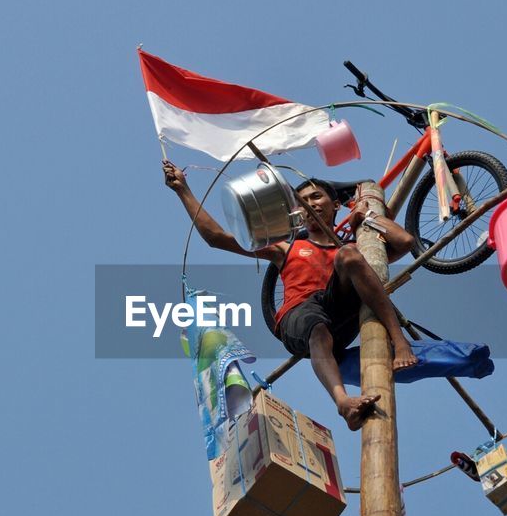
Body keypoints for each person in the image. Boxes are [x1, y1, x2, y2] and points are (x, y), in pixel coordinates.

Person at [164, 160, 419, 431]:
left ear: (335, 206)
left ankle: (399, 342)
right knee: (318, 330)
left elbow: (404, 242)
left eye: (317, 197)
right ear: (297, 212)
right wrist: (183, 189)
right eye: (304, 201)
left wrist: (366, 216)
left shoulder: (353, 248)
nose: (312, 204)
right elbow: (215, 237)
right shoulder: (286, 247)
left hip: (339, 312)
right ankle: (344, 402)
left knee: (349, 255)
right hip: (301, 316)